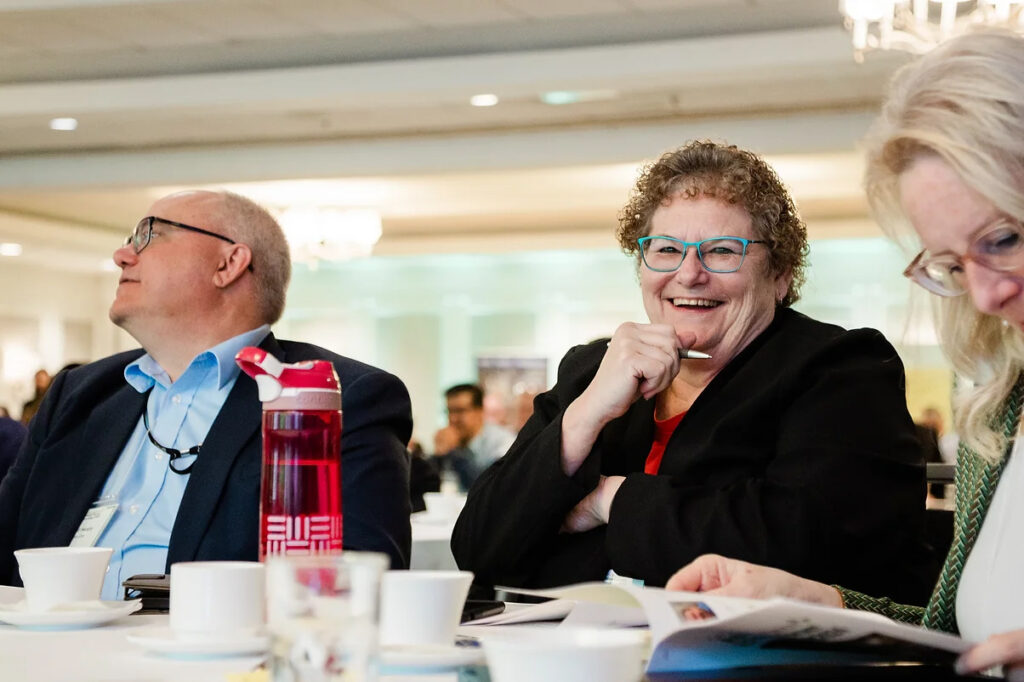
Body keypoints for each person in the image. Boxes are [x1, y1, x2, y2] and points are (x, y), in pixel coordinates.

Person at [666, 30, 1024, 678]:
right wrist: (817, 602)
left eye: (1003, 238)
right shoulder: (995, 417)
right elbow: (957, 639)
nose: (988, 294)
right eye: (950, 264)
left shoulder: (836, 369)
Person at [451, 141, 934, 603]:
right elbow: (478, 548)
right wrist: (586, 414)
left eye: (722, 250)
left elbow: (797, 543)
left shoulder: (838, 368)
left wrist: (608, 500)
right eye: (665, 249)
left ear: (781, 273)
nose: (688, 273)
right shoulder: (592, 370)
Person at [0, 190, 412, 600]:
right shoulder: (81, 395)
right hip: (41, 647)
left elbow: (359, 583)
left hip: (208, 654)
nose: (122, 255)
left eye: (150, 235)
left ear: (228, 264)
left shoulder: (331, 397)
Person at [432, 384, 516, 490]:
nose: (453, 418)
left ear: (480, 411)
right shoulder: (450, 441)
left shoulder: (502, 441)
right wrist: (438, 456)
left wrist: (456, 453)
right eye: (449, 411)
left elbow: (490, 486)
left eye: (460, 411)